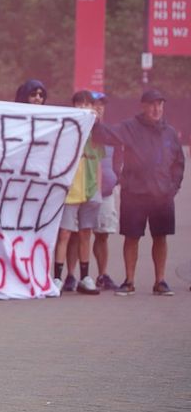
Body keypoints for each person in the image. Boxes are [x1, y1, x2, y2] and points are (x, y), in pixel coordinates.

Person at [94, 89, 184, 296]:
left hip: (162, 196)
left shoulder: (169, 132)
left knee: (161, 237)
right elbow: (106, 134)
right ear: (143, 106)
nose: (156, 109)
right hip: (134, 193)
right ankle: (129, 281)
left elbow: (179, 162)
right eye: (152, 105)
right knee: (132, 237)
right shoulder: (130, 127)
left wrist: (172, 188)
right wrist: (94, 122)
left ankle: (160, 281)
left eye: (160, 105)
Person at [54, 91, 105, 295]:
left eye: (87, 104)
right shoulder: (67, 131)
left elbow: (99, 162)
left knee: (86, 233)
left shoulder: (97, 133)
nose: (83, 108)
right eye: (79, 104)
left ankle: (85, 276)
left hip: (90, 188)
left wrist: (98, 191)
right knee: (64, 233)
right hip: (70, 189)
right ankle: (57, 277)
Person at [90, 92, 121, 291]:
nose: (99, 107)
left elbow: (119, 156)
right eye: (94, 103)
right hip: (82, 191)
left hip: (107, 191)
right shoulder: (79, 130)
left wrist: (116, 177)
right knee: (78, 235)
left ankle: (102, 275)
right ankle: (71, 276)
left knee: (103, 234)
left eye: (102, 104)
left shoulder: (111, 132)